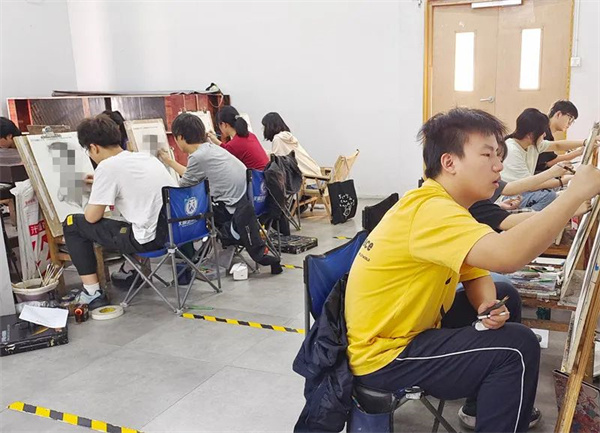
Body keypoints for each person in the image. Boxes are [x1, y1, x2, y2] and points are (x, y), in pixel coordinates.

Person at [345, 107, 600, 433]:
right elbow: (508, 256)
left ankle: (481, 409)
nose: (498, 165)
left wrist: (486, 305)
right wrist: (573, 195)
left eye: (498, 154)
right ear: (449, 163)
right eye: (487, 154)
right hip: (386, 355)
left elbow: (475, 270)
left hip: (411, 328)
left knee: (504, 293)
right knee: (517, 347)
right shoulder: (431, 211)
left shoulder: (447, 205)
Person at [63, 115, 176, 308]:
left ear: (93, 147)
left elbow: (92, 217)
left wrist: (95, 191)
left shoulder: (107, 167)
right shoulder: (145, 157)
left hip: (149, 240)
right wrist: (101, 184)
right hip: (174, 231)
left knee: (72, 224)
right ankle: (129, 271)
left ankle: (92, 293)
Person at [159, 113, 282, 274]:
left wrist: (167, 163)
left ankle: (188, 256)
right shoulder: (211, 148)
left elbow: (184, 187)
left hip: (231, 211)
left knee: (181, 210)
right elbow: (192, 174)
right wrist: (170, 162)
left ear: (180, 137)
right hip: (247, 204)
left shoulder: (197, 157)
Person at [502, 108, 582, 211]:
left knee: (556, 194)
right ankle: (528, 218)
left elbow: (557, 145)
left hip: (524, 190)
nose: (544, 135)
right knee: (549, 196)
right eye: (542, 132)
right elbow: (530, 185)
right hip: (509, 197)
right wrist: (564, 180)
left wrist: (585, 142)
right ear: (530, 135)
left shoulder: (532, 144)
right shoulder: (512, 150)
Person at [208, 106, 269, 170]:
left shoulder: (234, 144)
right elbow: (228, 149)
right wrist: (215, 140)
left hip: (256, 176)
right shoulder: (250, 135)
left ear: (224, 125)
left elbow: (226, 153)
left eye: (218, 125)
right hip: (266, 173)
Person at [261, 112, 321, 178]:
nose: (263, 129)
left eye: (264, 126)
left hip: (307, 178)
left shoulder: (278, 139)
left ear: (270, 127)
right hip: (315, 173)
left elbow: (276, 163)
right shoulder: (286, 136)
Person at [535, 100, 582, 174]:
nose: (570, 123)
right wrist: (578, 152)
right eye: (570, 118)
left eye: (572, 121)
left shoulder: (548, 132)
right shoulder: (544, 132)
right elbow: (546, 163)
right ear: (558, 114)